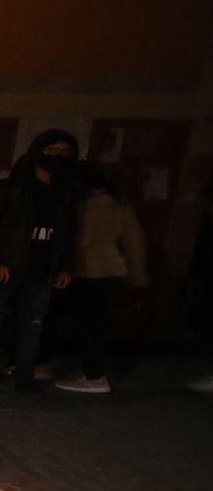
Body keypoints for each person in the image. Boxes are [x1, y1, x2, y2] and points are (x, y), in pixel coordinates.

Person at [0, 130, 81, 393]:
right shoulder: (12, 189)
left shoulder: (66, 193)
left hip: (42, 270)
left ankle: (24, 376)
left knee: (33, 325)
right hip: (7, 267)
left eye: (65, 153)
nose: (58, 157)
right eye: (52, 151)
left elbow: (70, 233)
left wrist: (65, 266)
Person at [54, 161, 147, 393]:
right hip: (113, 268)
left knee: (85, 324)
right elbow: (135, 244)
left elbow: (79, 241)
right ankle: (93, 372)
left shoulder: (81, 206)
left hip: (85, 270)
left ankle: (94, 376)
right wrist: (138, 275)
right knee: (94, 323)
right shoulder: (120, 206)